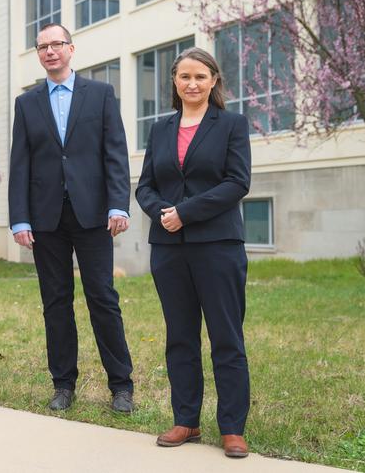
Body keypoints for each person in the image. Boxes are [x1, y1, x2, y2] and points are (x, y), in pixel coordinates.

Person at [8, 23, 134, 413]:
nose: (49, 52)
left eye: (56, 44)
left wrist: (118, 204)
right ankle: (63, 384)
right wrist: (19, 219)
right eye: (42, 46)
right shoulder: (27, 103)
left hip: (93, 214)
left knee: (103, 298)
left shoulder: (100, 94)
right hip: (46, 218)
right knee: (56, 302)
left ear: (71, 49)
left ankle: (121, 386)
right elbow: (20, 164)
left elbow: (115, 151)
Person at [135, 47, 252, 458]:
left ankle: (232, 428)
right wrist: (163, 214)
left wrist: (184, 213)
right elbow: (145, 185)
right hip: (168, 250)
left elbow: (237, 183)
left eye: (200, 76)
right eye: (184, 77)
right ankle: (186, 420)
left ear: (214, 80)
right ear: (174, 81)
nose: (192, 84)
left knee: (226, 337)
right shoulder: (161, 129)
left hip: (218, 246)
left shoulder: (232, 125)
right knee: (180, 337)